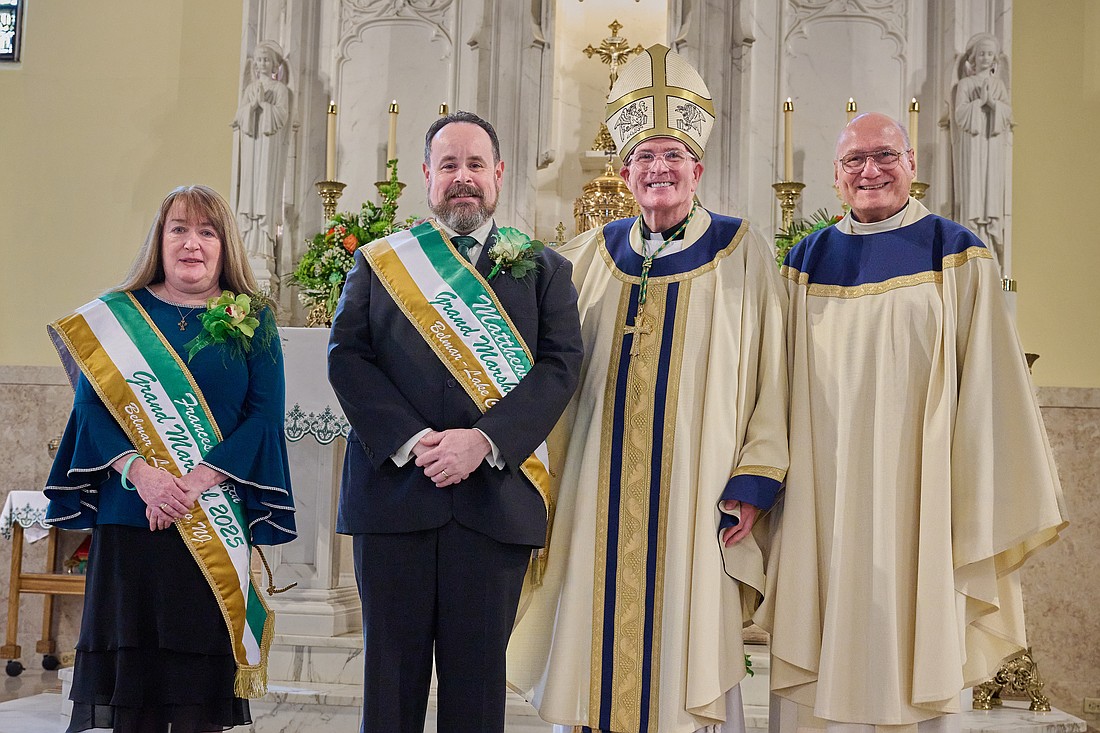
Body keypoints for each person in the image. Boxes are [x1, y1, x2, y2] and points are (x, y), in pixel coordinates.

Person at [508, 45, 790, 733]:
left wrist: (755, 479)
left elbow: (772, 371)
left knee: (683, 646)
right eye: (644, 157)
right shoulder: (587, 256)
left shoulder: (740, 251)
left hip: (699, 492)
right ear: (625, 170)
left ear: (698, 169)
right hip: (592, 491)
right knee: (590, 642)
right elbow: (542, 369)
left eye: (672, 157)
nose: (658, 169)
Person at [759, 112, 1067, 733]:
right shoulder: (803, 260)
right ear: (836, 176)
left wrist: (974, 490)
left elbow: (990, 382)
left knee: (914, 639)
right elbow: (772, 380)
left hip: (921, 489)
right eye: (854, 160)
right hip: (824, 489)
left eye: (884, 156)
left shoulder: (955, 253)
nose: (870, 171)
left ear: (912, 166)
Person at [327, 110, 583, 733]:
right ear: (426, 176)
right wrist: (415, 441)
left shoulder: (545, 269)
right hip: (394, 502)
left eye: (475, 165)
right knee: (389, 689)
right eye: (449, 166)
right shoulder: (381, 263)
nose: (462, 178)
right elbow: (347, 357)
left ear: (498, 174)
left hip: (493, 502)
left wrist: (484, 441)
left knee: (476, 695)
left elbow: (559, 367)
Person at [45, 184, 297, 733]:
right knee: (133, 697)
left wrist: (193, 483)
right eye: (178, 229)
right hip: (129, 520)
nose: (192, 243)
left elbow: (263, 416)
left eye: (207, 232)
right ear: (159, 241)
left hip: (212, 518)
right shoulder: (116, 317)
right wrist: (145, 478)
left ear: (224, 246)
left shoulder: (253, 320)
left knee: (194, 699)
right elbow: (92, 410)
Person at [950, 32, 1013, 267]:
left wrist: (993, 105)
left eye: (990, 54)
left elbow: (1008, 116)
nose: (986, 58)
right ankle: (971, 242)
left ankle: (992, 245)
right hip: (972, 146)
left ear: (995, 58)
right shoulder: (966, 84)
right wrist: (979, 104)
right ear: (973, 58)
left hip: (992, 145)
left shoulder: (998, 85)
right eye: (982, 54)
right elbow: (959, 115)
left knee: (991, 194)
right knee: (974, 192)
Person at [231, 40, 291, 261]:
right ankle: (247, 247)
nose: (262, 63)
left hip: (269, 148)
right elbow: (238, 118)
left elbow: (282, 116)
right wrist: (252, 107)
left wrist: (264, 106)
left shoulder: (280, 89)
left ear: (275, 65)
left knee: (264, 192)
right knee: (249, 192)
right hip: (252, 145)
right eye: (259, 59)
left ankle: (264, 248)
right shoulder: (250, 89)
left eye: (266, 59)